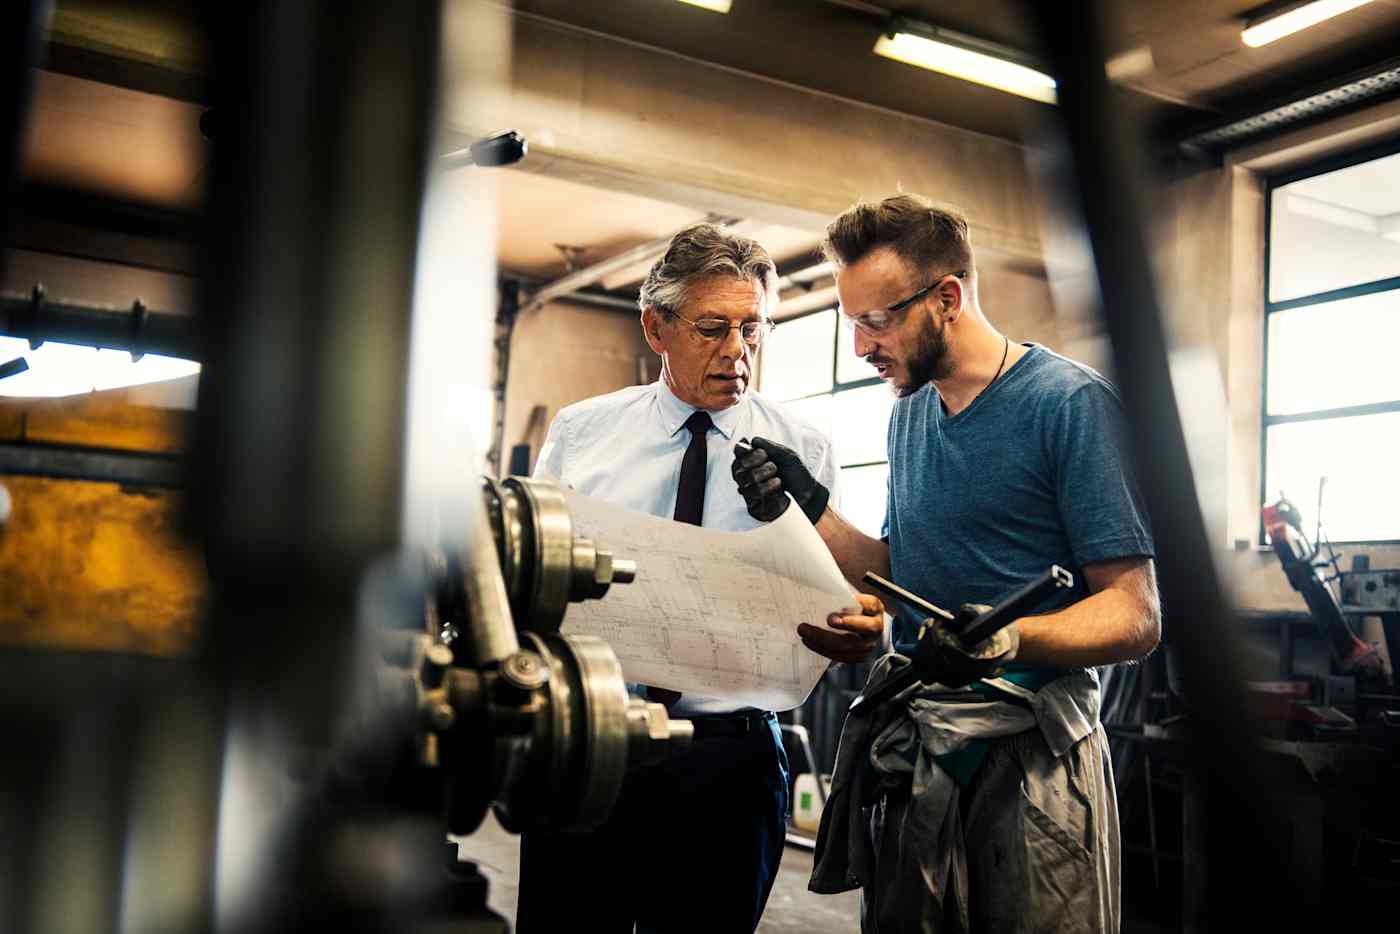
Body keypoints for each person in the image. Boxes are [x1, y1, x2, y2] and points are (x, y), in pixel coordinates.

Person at [732, 194, 1160, 932]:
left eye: (877, 321)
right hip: (920, 751)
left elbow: (1135, 614)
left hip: (1033, 760)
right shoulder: (910, 413)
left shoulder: (1069, 405)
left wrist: (1009, 639)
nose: (862, 347)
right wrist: (805, 507)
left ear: (948, 298)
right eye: (852, 324)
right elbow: (903, 576)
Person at [515, 222, 883, 933]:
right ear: (656, 328)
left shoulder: (805, 449)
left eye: (754, 329)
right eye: (713, 328)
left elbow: (852, 598)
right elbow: (533, 572)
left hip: (732, 765)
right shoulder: (583, 433)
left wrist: (862, 627)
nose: (737, 352)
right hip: (592, 744)